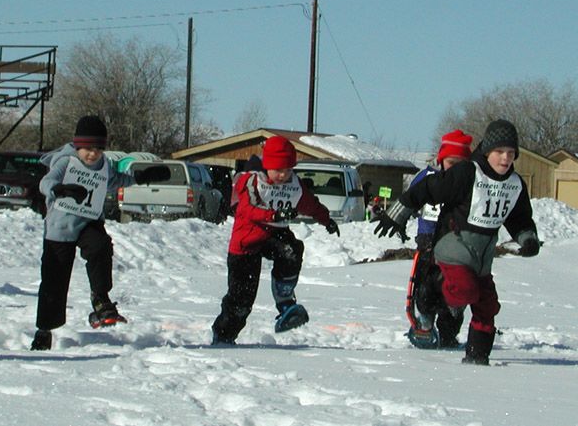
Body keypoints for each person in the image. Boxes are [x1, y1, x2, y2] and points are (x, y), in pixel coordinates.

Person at [374, 119, 540, 365]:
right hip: (452, 245)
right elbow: (430, 188)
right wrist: (400, 210)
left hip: (481, 260)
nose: (505, 158)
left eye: (511, 153)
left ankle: (477, 357)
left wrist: (528, 239)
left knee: (488, 306)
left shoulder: (515, 184)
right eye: (499, 152)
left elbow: (520, 218)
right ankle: (431, 293)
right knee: (465, 290)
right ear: (487, 151)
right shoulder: (468, 173)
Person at [30, 116, 170, 351]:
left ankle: (100, 299)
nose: (92, 155)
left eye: (98, 149)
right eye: (87, 149)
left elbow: (114, 181)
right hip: (60, 228)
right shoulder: (66, 162)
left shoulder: (103, 164)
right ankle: (44, 329)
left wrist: (142, 177)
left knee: (101, 246)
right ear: (77, 145)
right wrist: (59, 189)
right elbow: (46, 182)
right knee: (54, 280)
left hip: (87, 221)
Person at [211, 135, 341, 345]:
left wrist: (326, 219)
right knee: (241, 299)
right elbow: (247, 210)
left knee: (292, 250)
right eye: (279, 170)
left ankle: (285, 303)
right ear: (267, 166)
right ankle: (223, 335)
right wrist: (273, 215)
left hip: (274, 235)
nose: (283, 175)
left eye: (288, 170)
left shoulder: (293, 185)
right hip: (247, 241)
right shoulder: (252, 181)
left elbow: (309, 203)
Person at [406, 129, 473, 349]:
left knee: (454, 293)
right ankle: (424, 322)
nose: (456, 169)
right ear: (442, 160)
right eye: (452, 163)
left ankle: (449, 332)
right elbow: (411, 199)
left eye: (461, 164)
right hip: (428, 241)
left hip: (456, 243)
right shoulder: (427, 178)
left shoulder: (469, 182)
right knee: (425, 288)